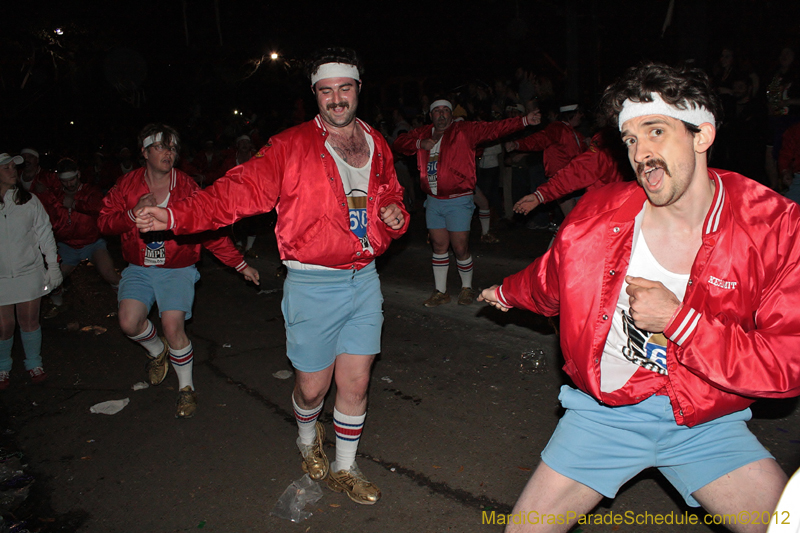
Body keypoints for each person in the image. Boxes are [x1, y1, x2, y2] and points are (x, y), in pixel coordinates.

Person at [479, 63, 800, 533]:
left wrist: (680, 321)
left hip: (705, 420)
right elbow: (554, 277)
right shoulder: (599, 212)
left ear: (701, 135)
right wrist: (507, 291)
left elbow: (787, 362)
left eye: (655, 131)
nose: (641, 153)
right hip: (603, 417)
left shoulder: (771, 226)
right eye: (630, 139)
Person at [134, 48, 408, 505]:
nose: (336, 99)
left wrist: (393, 214)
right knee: (312, 388)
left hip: (365, 279)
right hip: (313, 283)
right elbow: (234, 192)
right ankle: (306, 438)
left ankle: (345, 467)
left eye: (344, 88)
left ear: (358, 88)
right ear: (315, 94)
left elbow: (388, 193)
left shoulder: (376, 141)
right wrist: (174, 215)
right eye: (326, 91)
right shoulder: (290, 146)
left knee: (356, 383)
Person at [98, 124, 259, 419]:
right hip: (139, 266)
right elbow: (104, 222)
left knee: (174, 327)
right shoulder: (127, 185)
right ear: (144, 152)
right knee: (128, 323)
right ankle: (157, 351)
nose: (168, 153)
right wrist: (132, 215)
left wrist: (240, 264)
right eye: (160, 146)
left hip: (177, 266)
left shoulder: (186, 187)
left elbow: (208, 228)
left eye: (172, 148)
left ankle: (186, 388)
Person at [393, 98, 540, 307]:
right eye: (437, 111)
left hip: (459, 199)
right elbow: (399, 143)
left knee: (460, 247)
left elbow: (494, 129)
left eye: (446, 110)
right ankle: (440, 292)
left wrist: (524, 120)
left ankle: (466, 288)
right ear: (431, 115)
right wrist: (419, 143)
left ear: (451, 114)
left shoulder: (464, 130)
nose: (442, 115)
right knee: (439, 246)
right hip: (434, 200)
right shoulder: (423, 133)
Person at [0, 153, 61, 389]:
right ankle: (3, 365)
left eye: (12, 167)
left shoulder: (29, 201)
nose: (12, 171)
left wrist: (52, 266)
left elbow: (45, 234)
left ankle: (34, 363)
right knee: (4, 326)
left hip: (28, 272)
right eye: (5, 168)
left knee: (28, 321)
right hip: (2, 277)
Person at [40, 158, 121, 312]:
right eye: (65, 181)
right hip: (67, 246)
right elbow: (48, 219)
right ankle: (57, 300)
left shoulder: (90, 191)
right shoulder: (55, 195)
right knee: (53, 280)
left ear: (78, 175)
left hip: (93, 243)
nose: (70, 184)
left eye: (72, 179)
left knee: (109, 273)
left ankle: (127, 301)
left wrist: (75, 204)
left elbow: (99, 207)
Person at [512, 127, 629, 216]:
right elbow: (575, 173)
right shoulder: (606, 149)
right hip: (608, 210)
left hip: (609, 212)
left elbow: (576, 172)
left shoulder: (611, 150)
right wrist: (541, 195)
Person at [505, 104, 587, 217]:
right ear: (571, 114)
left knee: (581, 215)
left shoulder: (576, 134)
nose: (581, 116)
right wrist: (518, 144)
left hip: (577, 179)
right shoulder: (557, 128)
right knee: (572, 217)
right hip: (561, 179)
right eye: (579, 113)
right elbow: (540, 139)